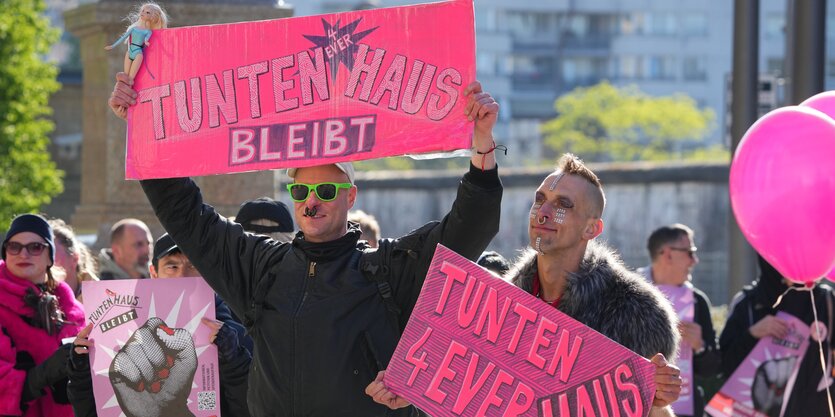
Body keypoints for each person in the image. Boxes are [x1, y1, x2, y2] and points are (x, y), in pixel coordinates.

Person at [109, 72, 503, 416]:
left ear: (350, 197)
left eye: (325, 190)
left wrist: (482, 144)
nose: (310, 202)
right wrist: (143, 127)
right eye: (300, 190)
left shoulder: (388, 268)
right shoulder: (262, 266)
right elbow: (185, 215)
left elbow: (467, 231)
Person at [367, 154, 683, 416]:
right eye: (539, 199)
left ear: (592, 228)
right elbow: (474, 393)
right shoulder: (494, 307)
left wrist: (655, 397)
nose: (543, 212)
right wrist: (412, 389)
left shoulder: (638, 314)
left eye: (563, 205)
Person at [67, 233, 252, 417]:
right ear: (154, 273)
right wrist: (81, 371)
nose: (182, 276)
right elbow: (91, 411)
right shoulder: (120, 329)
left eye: (193, 265)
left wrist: (234, 362)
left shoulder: (232, 336)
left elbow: (249, 409)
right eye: (172, 266)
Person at [720, 256, 835, 416]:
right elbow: (724, 363)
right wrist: (752, 334)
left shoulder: (825, 300)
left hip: (815, 408)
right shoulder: (748, 302)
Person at [0, 214, 86, 416]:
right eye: (14, 247)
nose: (23, 254)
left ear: (50, 257)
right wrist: (43, 374)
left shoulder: (70, 306)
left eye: (35, 247)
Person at [638, 224, 720, 417]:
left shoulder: (697, 301)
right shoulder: (630, 294)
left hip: (685, 409)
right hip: (638, 407)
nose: (695, 261)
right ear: (667, 254)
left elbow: (713, 368)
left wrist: (700, 346)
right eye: (690, 253)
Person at [104, 2, 168, 85]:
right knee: (125, 77)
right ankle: (122, 90)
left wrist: (146, 42)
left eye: (147, 12)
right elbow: (123, 37)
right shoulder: (134, 28)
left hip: (138, 53)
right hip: (130, 51)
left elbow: (146, 39)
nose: (143, 13)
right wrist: (112, 46)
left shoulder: (148, 31)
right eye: (143, 11)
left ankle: (128, 89)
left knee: (130, 79)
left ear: (152, 17)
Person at [49, 219, 99, 301]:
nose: (45, 260)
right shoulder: (33, 298)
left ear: (75, 258)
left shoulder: (105, 299)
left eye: (51, 253)